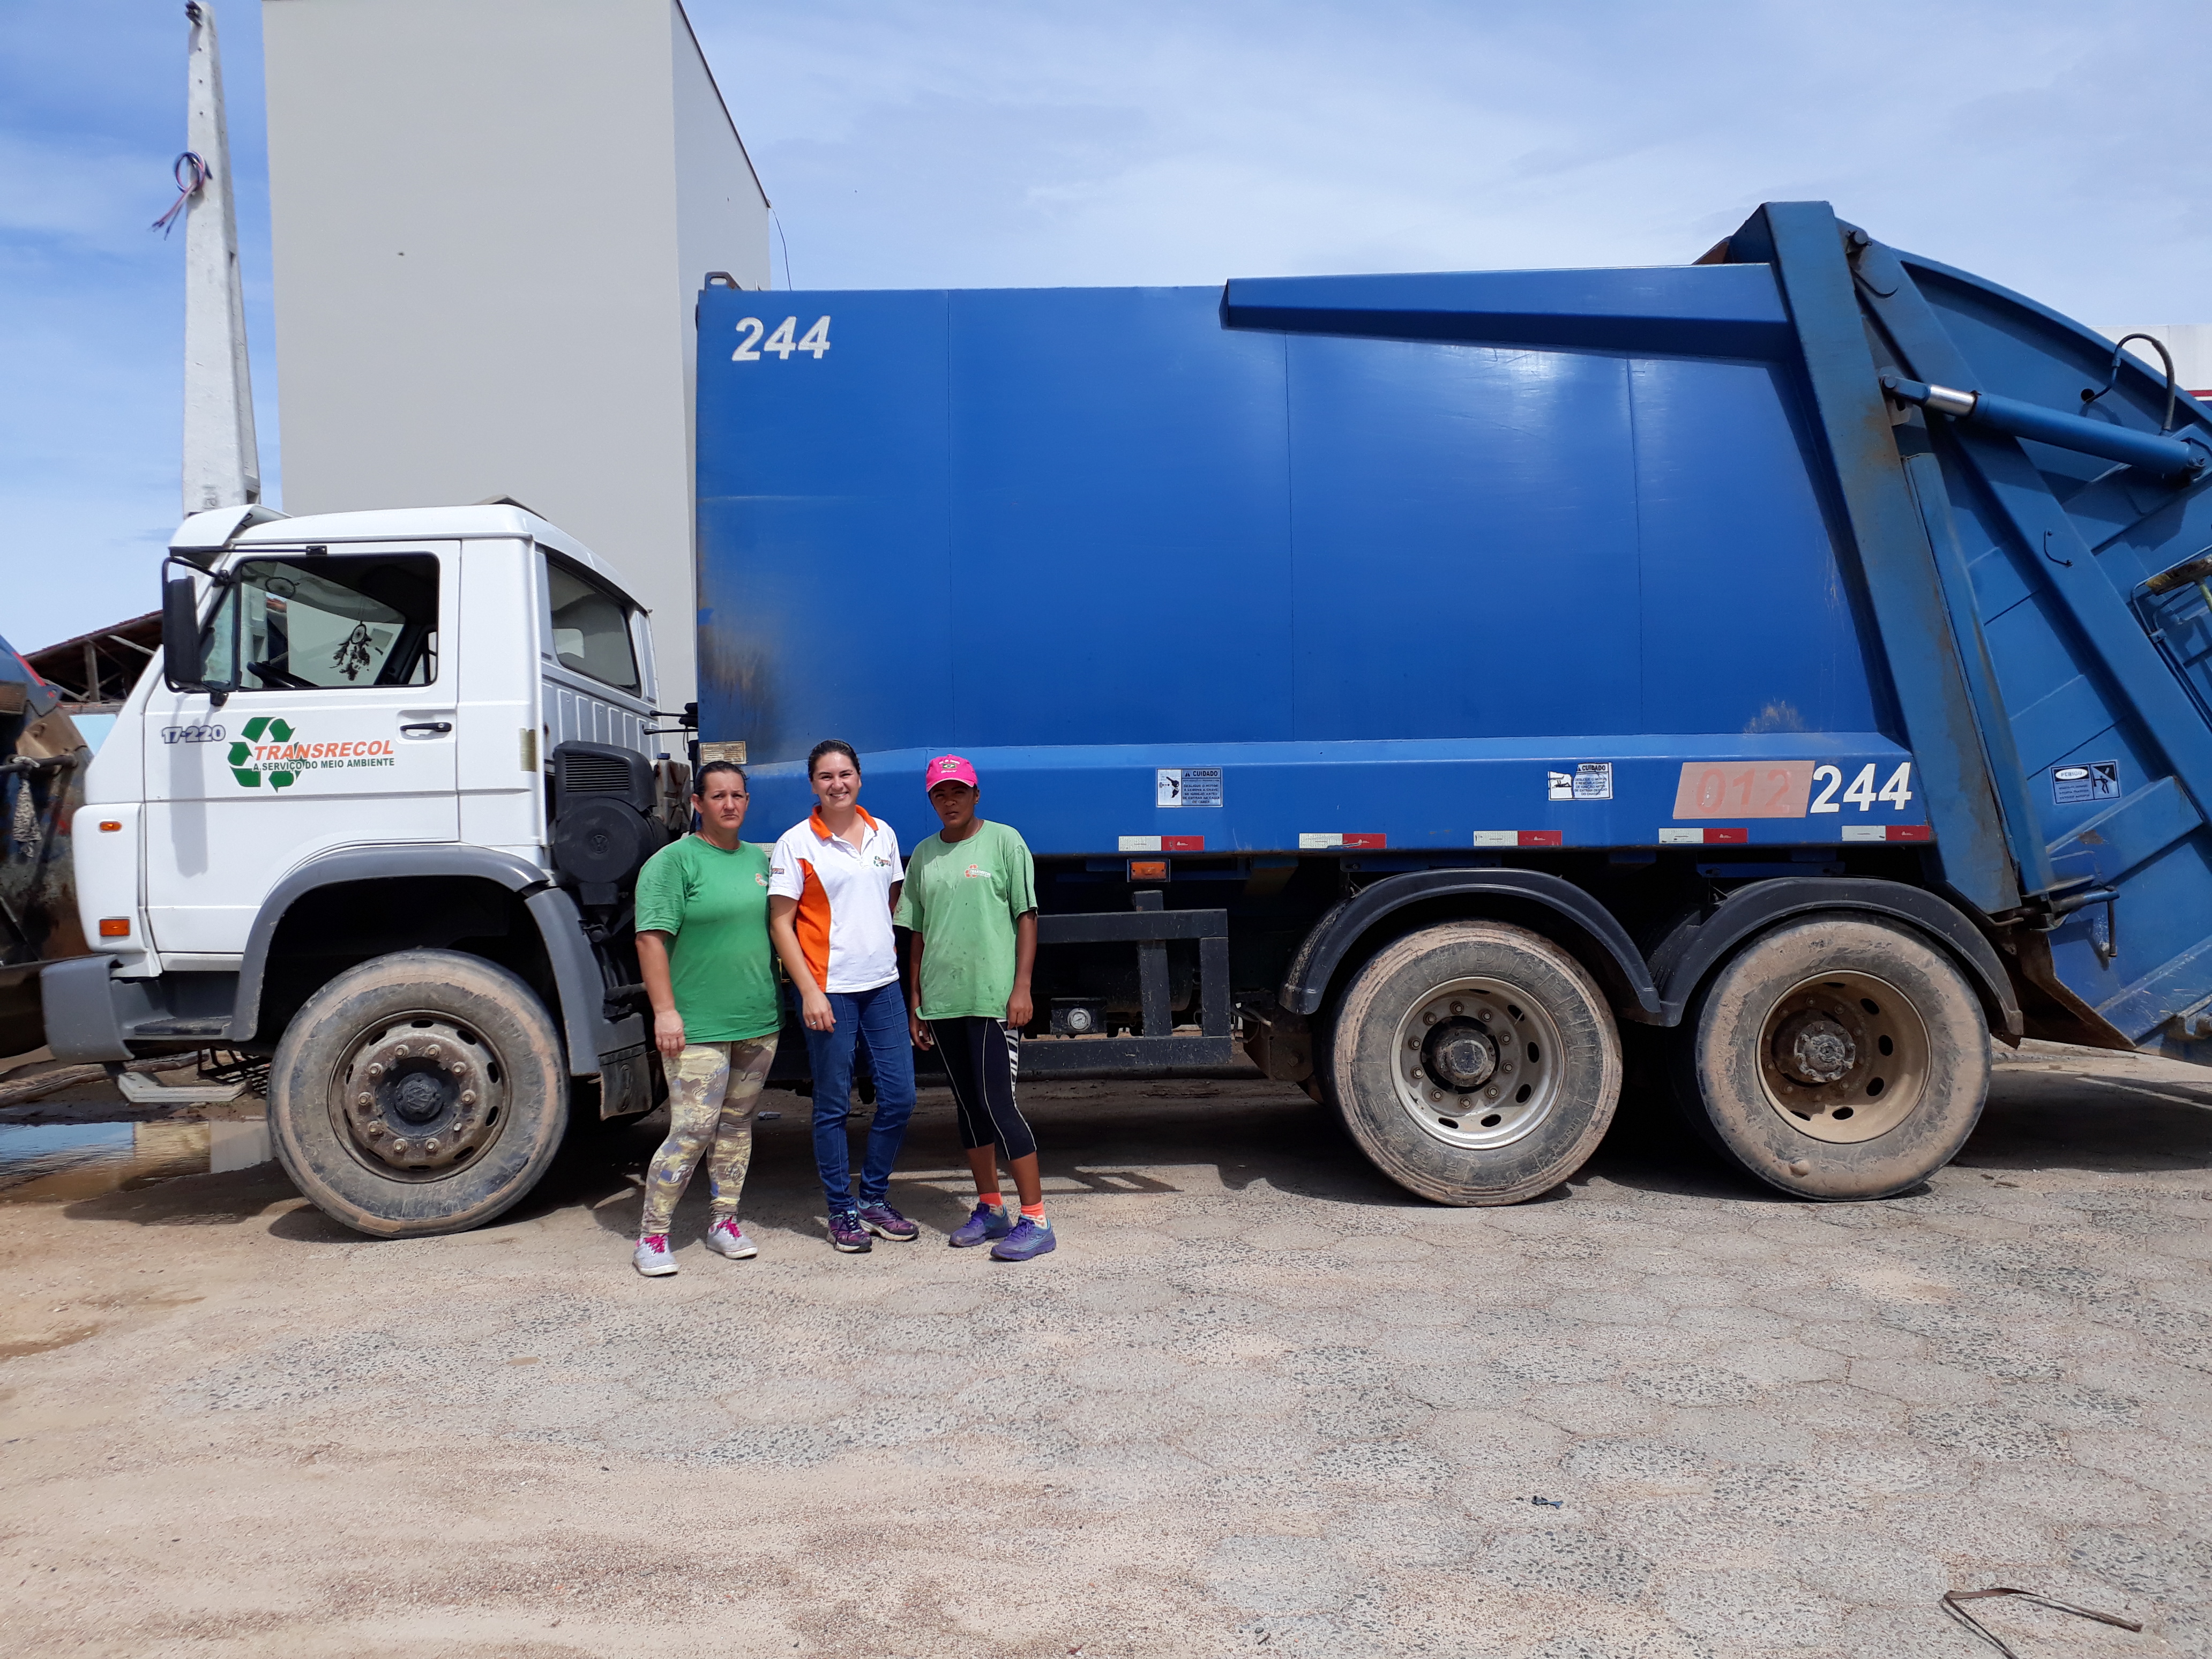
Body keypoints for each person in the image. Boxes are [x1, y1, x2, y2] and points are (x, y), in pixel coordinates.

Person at [898, 755, 1053, 1262]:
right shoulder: (924, 855)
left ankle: (1036, 1220)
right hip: (943, 1000)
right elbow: (917, 932)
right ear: (931, 801)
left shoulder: (1005, 842)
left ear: (976, 795)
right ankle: (991, 1208)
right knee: (968, 1107)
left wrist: (1021, 988)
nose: (950, 801)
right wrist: (916, 1000)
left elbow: (1026, 917)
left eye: (959, 792)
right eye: (940, 794)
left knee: (997, 1104)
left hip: (991, 997)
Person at [767, 739, 921, 1253]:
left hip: (883, 986)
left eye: (845, 774)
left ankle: (873, 1198)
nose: (837, 784)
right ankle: (841, 1211)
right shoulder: (796, 843)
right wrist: (809, 991)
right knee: (833, 1104)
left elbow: (890, 903)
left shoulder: (883, 834)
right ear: (813, 785)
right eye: (826, 777)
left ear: (859, 778)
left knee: (900, 1097)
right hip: (828, 991)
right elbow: (781, 924)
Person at [629, 760, 781, 1277]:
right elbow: (650, 939)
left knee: (736, 1124)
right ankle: (653, 1237)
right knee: (693, 1129)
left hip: (757, 1020)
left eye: (738, 795)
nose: (729, 804)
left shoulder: (757, 860)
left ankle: (724, 1223)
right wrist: (665, 1013)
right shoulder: (673, 863)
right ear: (697, 804)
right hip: (696, 1026)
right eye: (718, 796)